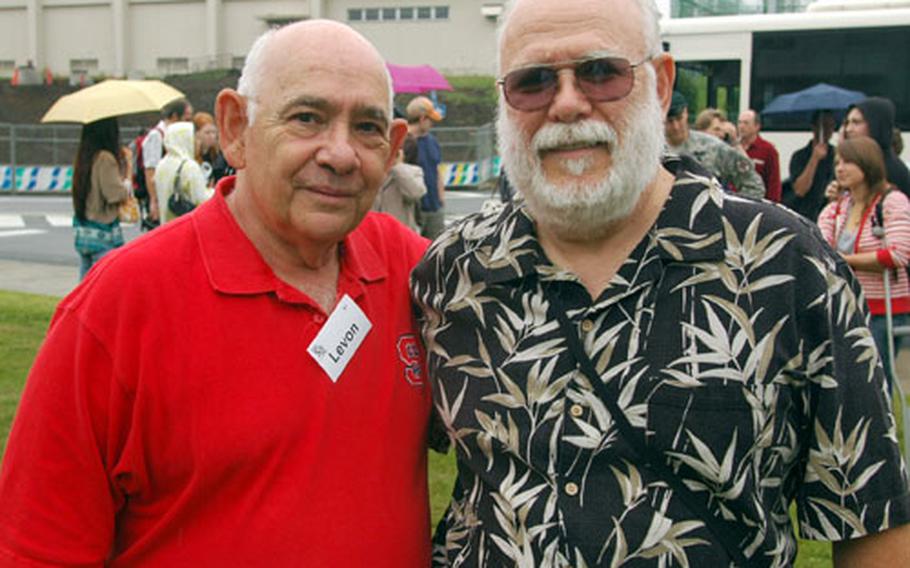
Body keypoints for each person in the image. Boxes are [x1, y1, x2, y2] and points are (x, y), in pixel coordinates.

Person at [411, 0, 910, 565]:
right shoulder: (451, 271)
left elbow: (873, 521)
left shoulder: (788, 265)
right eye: (534, 82)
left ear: (662, 83)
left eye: (602, 72)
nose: (568, 104)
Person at [0, 20, 433, 565]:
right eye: (307, 118)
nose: (340, 154)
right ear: (235, 128)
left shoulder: (421, 277)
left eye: (366, 127)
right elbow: (38, 549)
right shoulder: (117, 308)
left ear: (393, 147)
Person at [817, 136, 910, 391]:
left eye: (848, 162)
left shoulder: (892, 202)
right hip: (845, 304)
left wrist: (845, 261)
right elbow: (821, 248)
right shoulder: (839, 207)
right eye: (837, 162)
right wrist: (830, 205)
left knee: (875, 379)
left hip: (882, 309)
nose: (840, 168)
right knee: (847, 378)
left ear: (866, 164)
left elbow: (899, 254)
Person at [665, 91, 765, 199]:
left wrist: (730, 210)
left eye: (679, 119)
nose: (676, 126)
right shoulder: (653, 152)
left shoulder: (713, 147)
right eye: (669, 121)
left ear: (686, 113)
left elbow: (754, 186)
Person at [70, 117, 131, 279]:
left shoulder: (84, 156)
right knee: (105, 282)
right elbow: (114, 194)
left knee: (84, 284)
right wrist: (126, 184)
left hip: (85, 232)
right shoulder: (105, 158)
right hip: (103, 233)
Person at [844, 97, 910, 197]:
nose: (848, 129)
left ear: (875, 125)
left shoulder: (892, 170)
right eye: (847, 123)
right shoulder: (857, 162)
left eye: (856, 122)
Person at [141, 97, 193, 223]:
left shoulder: (174, 136)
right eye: (186, 118)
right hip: (161, 196)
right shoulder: (157, 135)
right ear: (175, 116)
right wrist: (154, 201)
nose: (189, 122)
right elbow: (150, 169)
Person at [154, 121, 212, 224]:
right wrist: (213, 191)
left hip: (166, 225)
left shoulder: (161, 164)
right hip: (186, 225)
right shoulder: (189, 166)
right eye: (194, 138)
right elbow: (201, 199)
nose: (197, 142)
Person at [785, 110, 836, 221]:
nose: (828, 131)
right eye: (824, 126)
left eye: (831, 126)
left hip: (828, 215)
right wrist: (814, 158)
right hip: (805, 213)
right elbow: (800, 190)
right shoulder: (799, 156)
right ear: (814, 127)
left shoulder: (837, 155)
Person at [407, 95, 446, 239]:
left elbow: (437, 169)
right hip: (413, 209)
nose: (432, 125)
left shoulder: (431, 141)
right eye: (431, 120)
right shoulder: (404, 142)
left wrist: (441, 196)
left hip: (434, 207)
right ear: (422, 119)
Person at [373, 135, 426, 231]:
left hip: (401, 231)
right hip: (374, 231)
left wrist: (397, 165)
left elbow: (416, 193)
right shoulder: (374, 170)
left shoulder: (413, 171)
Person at [739, 109, 782, 202]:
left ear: (757, 126)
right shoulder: (732, 148)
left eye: (746, 123)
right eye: (740, 122)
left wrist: (772, 205)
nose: (741, 126)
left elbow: (774, 182)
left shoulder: (768, 150)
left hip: (757, 202)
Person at [192, 110, 220, 186]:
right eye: (207, 133)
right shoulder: (191, 155)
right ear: (197, 134)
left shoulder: (217, 153)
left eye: (214, 132)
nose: (212, 136)